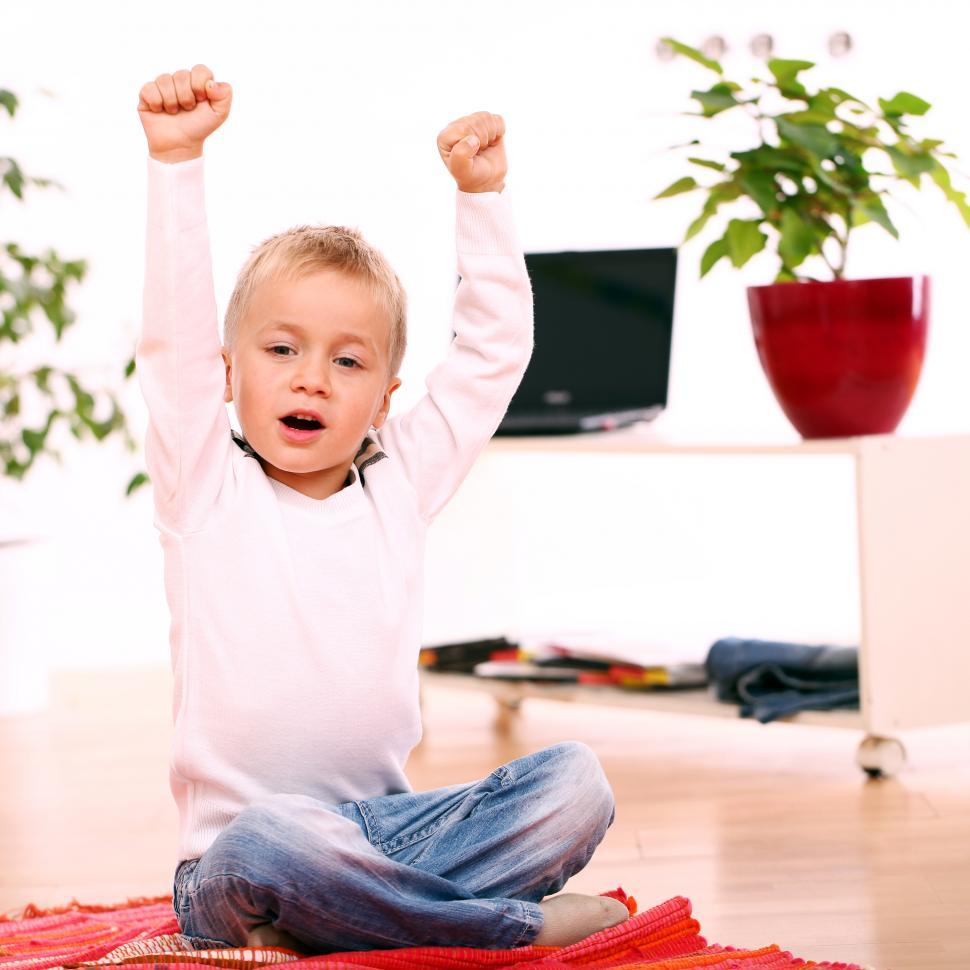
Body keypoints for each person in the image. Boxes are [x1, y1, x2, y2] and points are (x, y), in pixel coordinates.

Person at [135, 63, 628, 956]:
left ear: (386, 397)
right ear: (230, 372)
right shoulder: (202, 481)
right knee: (275, 835)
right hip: (236, 866)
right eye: (281, 348)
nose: (311, 376)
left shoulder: (400, 482)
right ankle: (498, 930)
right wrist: (177, 162)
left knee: (576, 786)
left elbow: (490, 357)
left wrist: (484, 198)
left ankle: (361, 916)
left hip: (389, 836)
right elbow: (170, 339)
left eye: (347, 362)